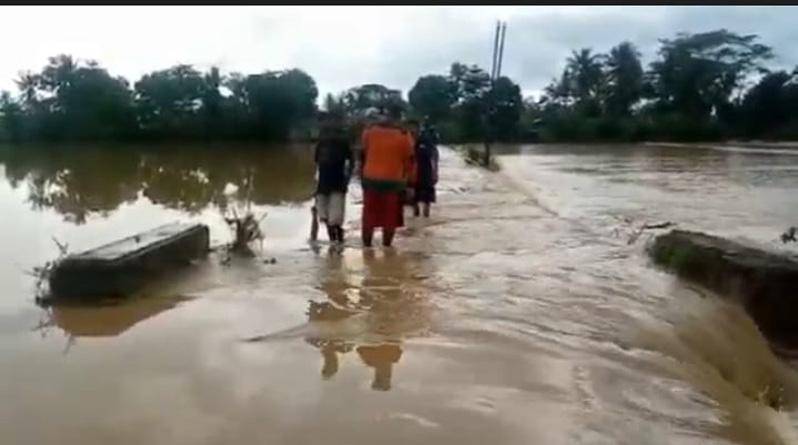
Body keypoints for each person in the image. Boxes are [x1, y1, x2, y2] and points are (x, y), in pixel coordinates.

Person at [359, 106, 414, 248]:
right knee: (390, 217)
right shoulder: (404, 135)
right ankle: (387, 248)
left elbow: (363, 154)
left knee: (369, 216)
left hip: (370, 179)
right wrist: (410, 184)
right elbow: (409, 161)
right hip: (393, 182)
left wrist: (361, 175)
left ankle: (367, 248)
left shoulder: (369, 132)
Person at [314, 118, 353, 244]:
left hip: (338, 184)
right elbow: (316, 164)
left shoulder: (343, 144)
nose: (330, 134)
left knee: (335, 218)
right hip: (323, 185)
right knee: (323, 216)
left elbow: (351, 163)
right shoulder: (321, 144)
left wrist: (347, 179)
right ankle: (335, 241)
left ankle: (337, 240)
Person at [412, 119, 440, 218]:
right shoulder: (413, 141)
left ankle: (422, 210)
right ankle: (419, 210)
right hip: (418, 169)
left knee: (423, 190)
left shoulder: (424, 140)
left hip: (423, 169)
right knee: (416, 191)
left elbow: (435, 155)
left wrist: (435, 171)